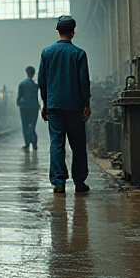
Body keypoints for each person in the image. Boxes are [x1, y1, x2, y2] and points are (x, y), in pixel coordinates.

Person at [37, 15, 91, 194]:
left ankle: (58, 182)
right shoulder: (79, 54)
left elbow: (42, 81)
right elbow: (84, 82)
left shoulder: (46, 53)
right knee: (78, 145)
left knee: (57, 143)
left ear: (57, 31)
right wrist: (86, 104)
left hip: (54, 106)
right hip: (75, 106)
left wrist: (45, 103)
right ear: (73, 32)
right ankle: (79, 182)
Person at [16, 66, 40, 151]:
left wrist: (19, 104)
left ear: (26, 73)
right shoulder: (35, 85)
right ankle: (34, 144)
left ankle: (27, 143)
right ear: (33, 74)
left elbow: (19, 96)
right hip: (34, 107)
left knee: (25, 125)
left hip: (24, 107)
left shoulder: (22, 84)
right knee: (32, 126)